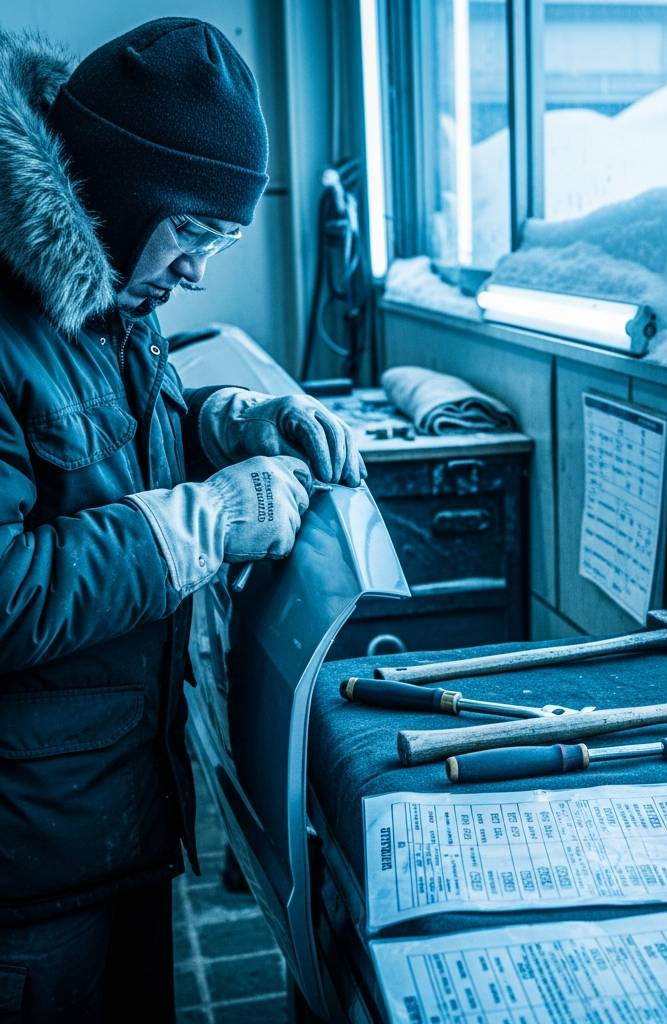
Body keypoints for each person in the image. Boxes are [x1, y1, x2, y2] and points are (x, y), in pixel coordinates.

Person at [0, 19, 362, 1021]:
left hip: (109, 814)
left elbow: (109, 446)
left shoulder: (108, 288)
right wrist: (197, 526)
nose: (199, 270)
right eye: (194, 233)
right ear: (122, 190)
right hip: (24, 871)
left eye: (222, 240)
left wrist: (231, 425)